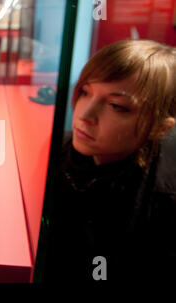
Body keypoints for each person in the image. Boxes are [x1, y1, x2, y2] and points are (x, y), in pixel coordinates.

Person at [43, 40, 175, 282]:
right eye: (85, 92)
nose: (84, 114)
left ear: (159, 127)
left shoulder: (163, 201)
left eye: (116, 106)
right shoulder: (55, 151)